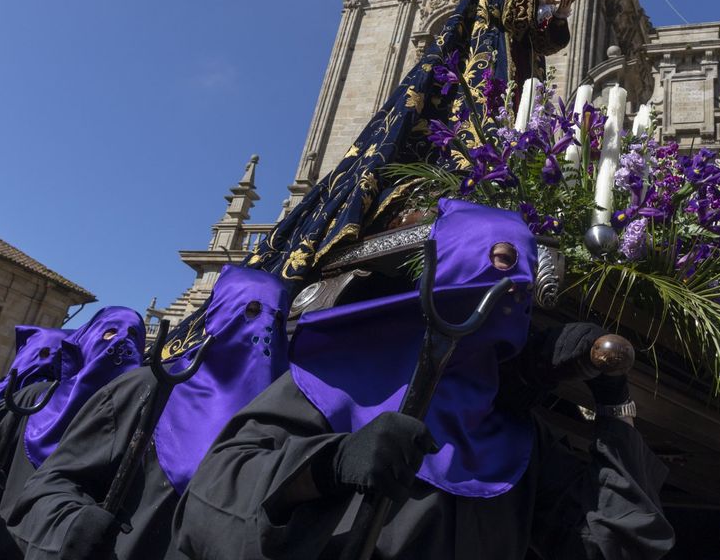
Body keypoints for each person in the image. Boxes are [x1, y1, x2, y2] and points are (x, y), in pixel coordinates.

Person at [181, 199, 674, 560]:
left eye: (519, 287)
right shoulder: (330, 384)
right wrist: (325, 467)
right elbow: (213, 504)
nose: (506, 294)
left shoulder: (520, 442)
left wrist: (613, 404)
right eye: (492, 264)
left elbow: (617, 544)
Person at [8, 266, 291, 560]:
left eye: (278, 317)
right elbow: (53, 485)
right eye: (252, 310)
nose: (265, 328)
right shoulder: (146, 389)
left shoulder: (286, 415)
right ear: (215, 317)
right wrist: (71, 525)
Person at [0, 308, 145, 560]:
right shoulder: (30, 402)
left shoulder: (138, 430)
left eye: (133, 337)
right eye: (109, 333)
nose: (120, 344)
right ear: (83, 343)